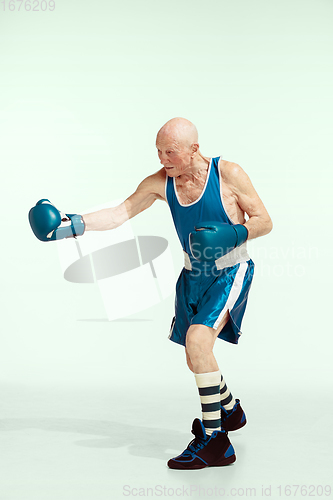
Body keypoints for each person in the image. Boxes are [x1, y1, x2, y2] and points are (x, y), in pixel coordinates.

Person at [29, 117, 273, 470]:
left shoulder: (228, 174)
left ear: (194, 149)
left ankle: (216, 441)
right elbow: (119, 213)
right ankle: (230, 410)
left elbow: (264, 220)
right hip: (192, 274)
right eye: (158, 152)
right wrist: (70, 225)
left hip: (230, 270)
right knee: (195, 357)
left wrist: (232, 234)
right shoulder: (162, 182)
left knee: (198, 343)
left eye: (170, 151)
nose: (162, 159)